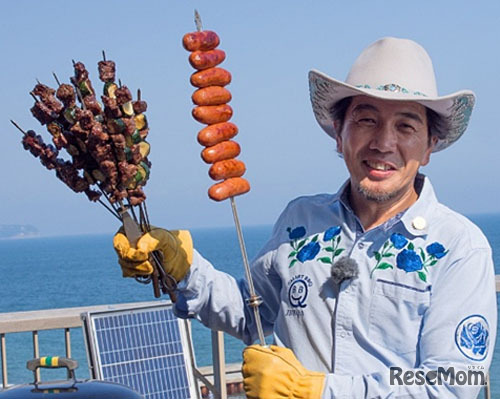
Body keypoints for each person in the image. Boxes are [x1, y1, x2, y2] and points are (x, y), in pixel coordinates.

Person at [113, 37, 497, 398]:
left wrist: (315, 391)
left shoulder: (459, 247)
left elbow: (453, 382)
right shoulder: (301, 221)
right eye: (365, 120)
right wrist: (183, 268)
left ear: (430, 145)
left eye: (406, 125)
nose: (383, 142)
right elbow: (255, 317)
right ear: (338, 133)